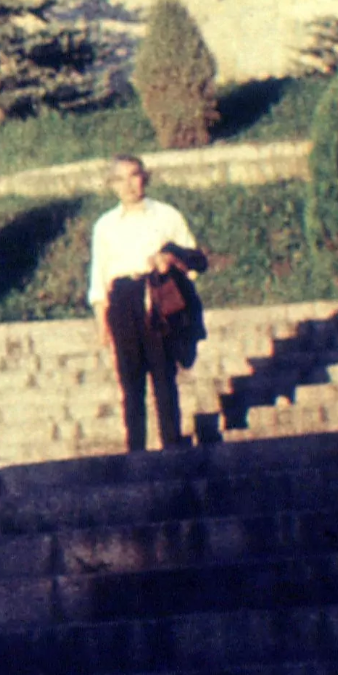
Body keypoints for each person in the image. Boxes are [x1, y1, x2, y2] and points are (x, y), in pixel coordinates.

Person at [89, 154, 208, 452]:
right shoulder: (105, 225)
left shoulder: (166, 216)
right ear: (112, 184)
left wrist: (169, 260)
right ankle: (135, 451)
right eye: (121, 178)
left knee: (163, 375)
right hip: (122, 300)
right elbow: (99, 276)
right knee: (130, 381)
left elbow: (195, 259)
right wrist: (101, 320)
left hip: (157, 296)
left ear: (145, 177)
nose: (129, 184)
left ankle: (172, 445)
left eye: (134, 175)